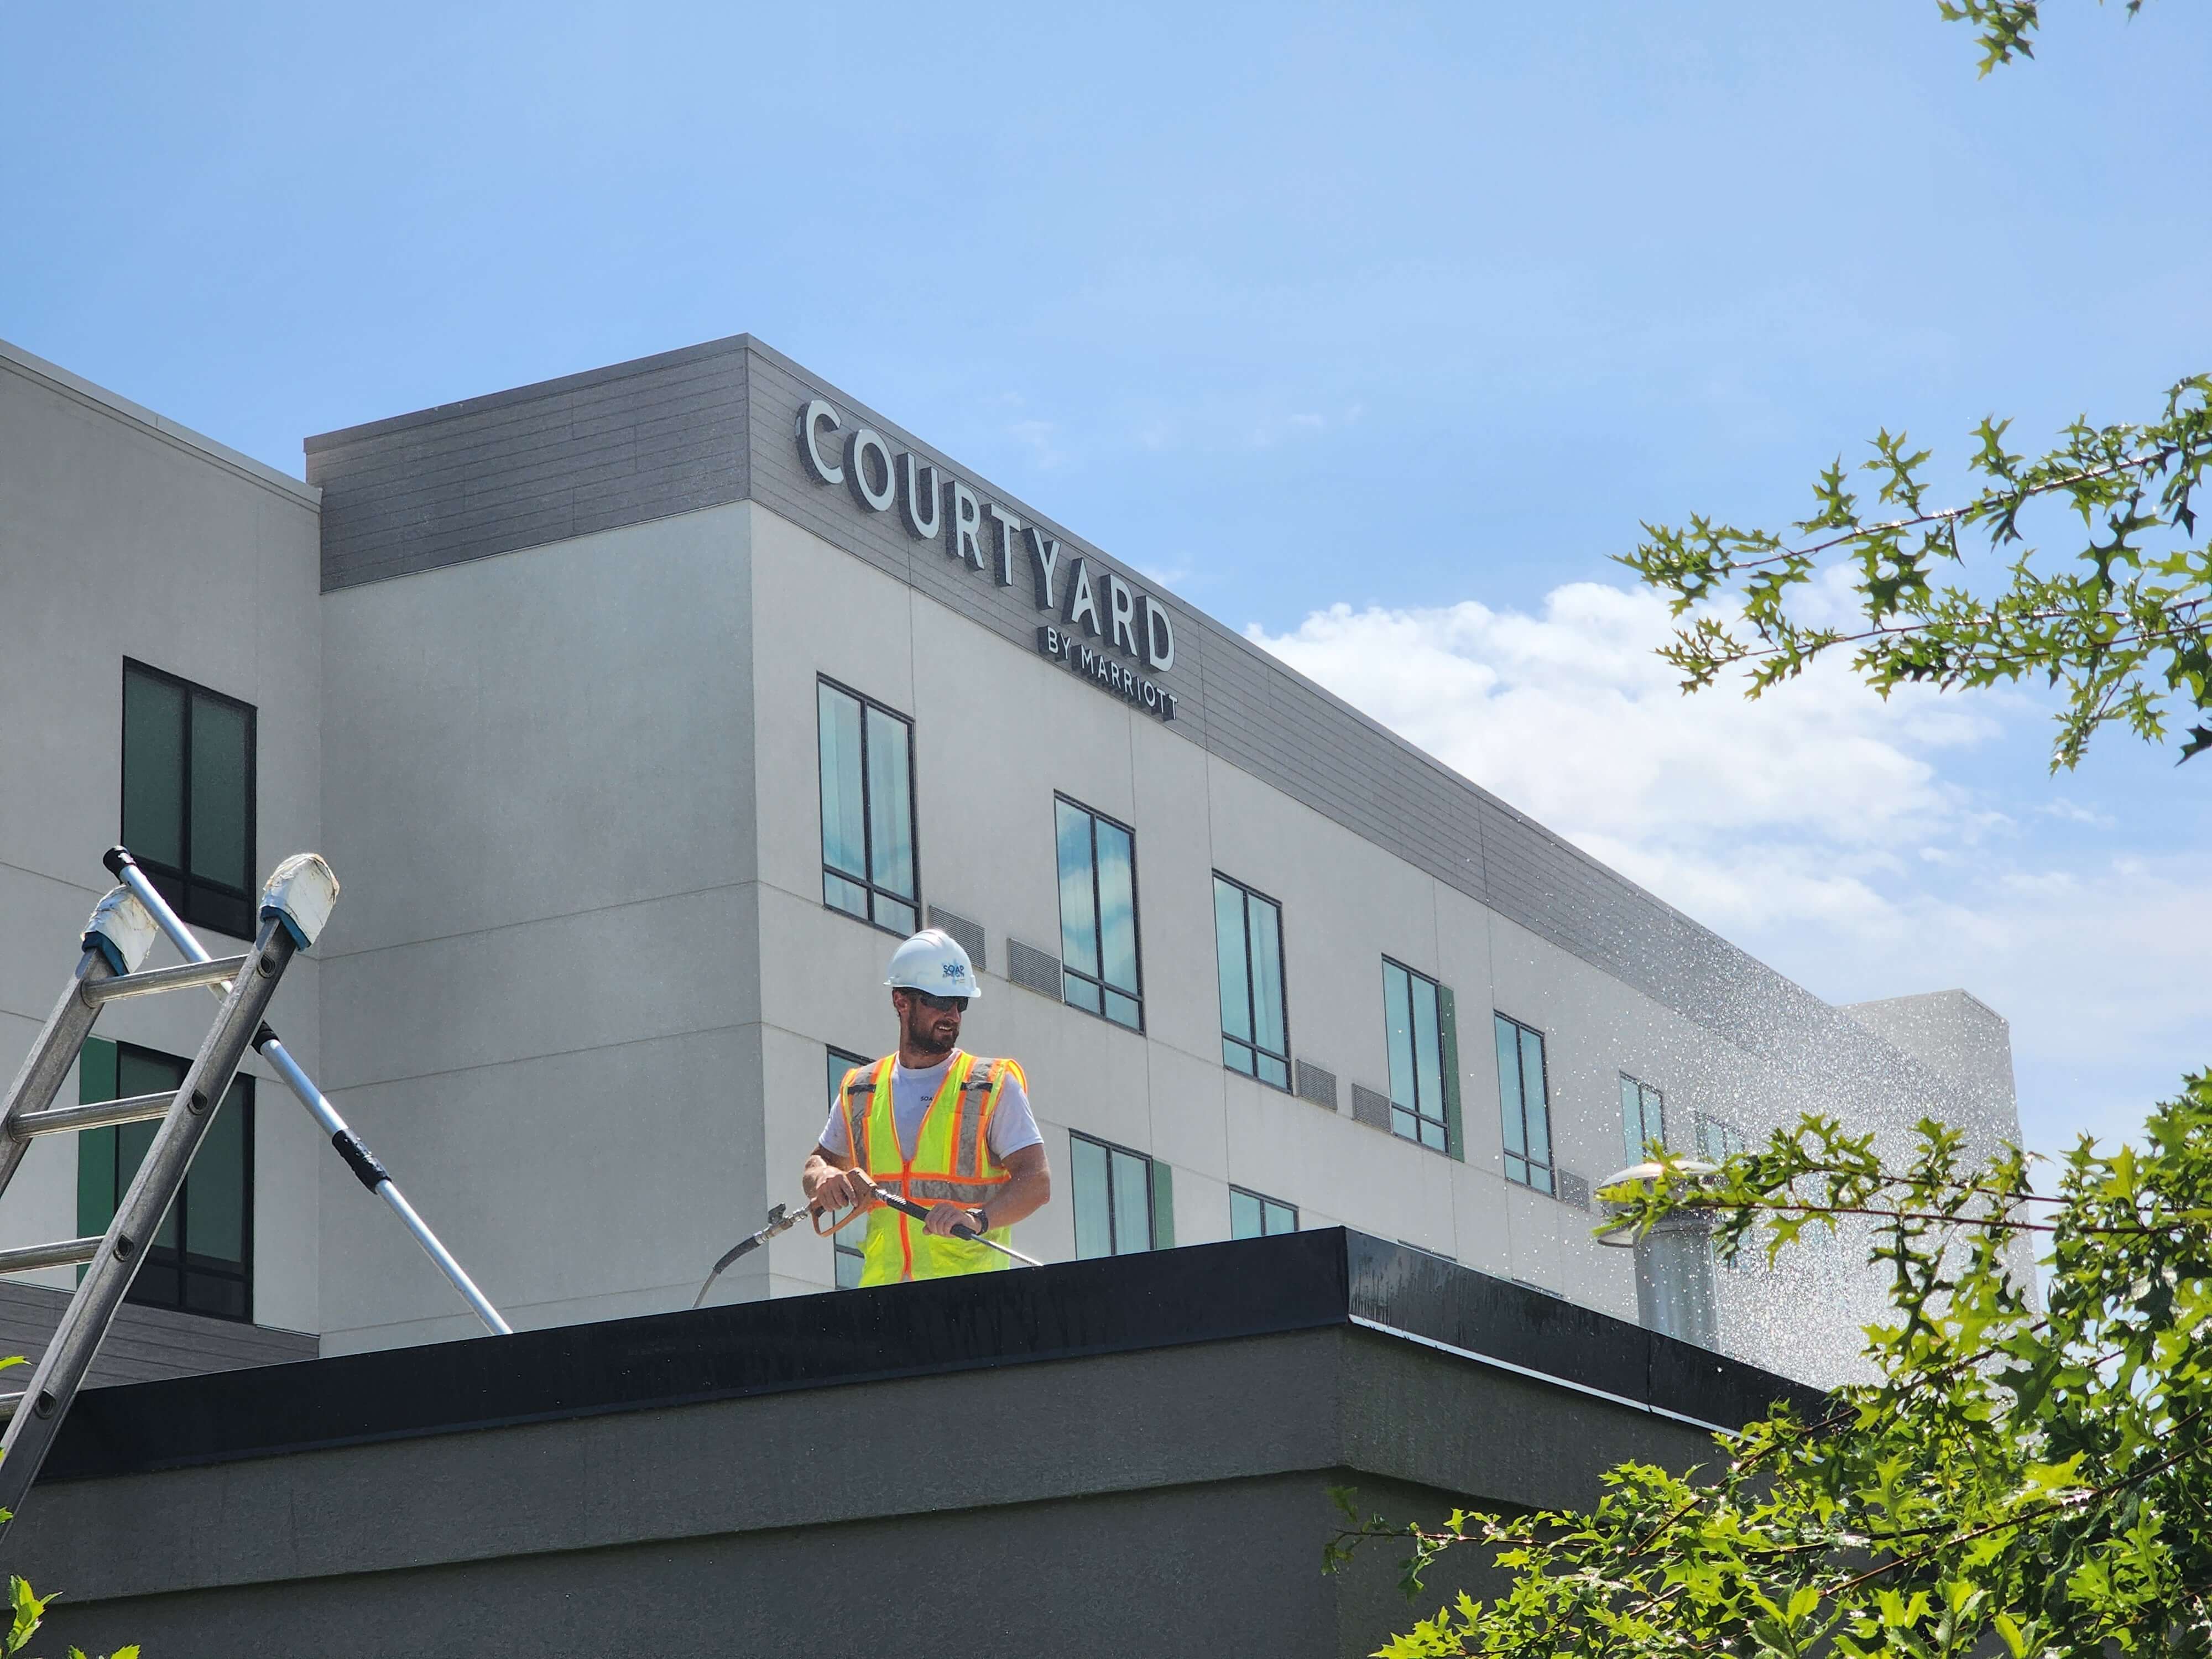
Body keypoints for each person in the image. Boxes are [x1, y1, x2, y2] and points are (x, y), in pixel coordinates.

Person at [802, 928, 1052, 1284]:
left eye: (960, 1002)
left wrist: (977, 1219)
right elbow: (819, 1163)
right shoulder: (863, 1089)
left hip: (969, 1304)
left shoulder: (990, 1085)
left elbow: (1036, 1181)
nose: (953, 1014)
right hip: (884, 1305)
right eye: (940, 1000)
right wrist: (823, 1178)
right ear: (901, 1001)